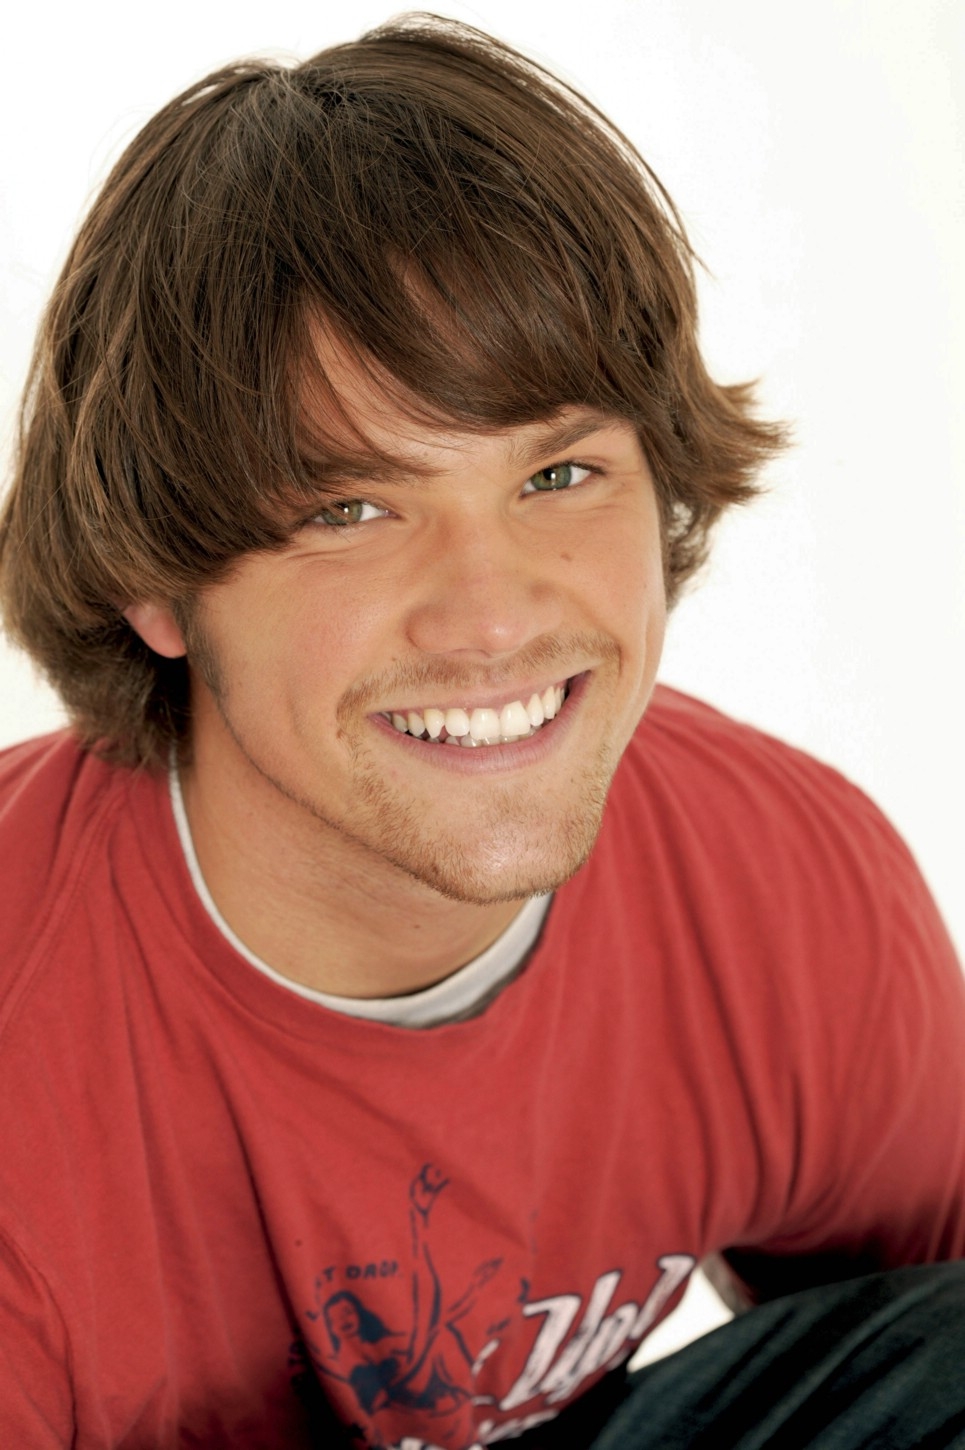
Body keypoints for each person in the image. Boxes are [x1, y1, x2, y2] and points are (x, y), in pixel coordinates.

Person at [0, 15, 963, 1450]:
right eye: (350, 508)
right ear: (155, 581)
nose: (493, 616)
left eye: (558, 473)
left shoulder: (783, 884)